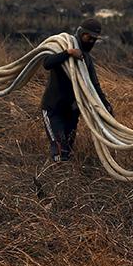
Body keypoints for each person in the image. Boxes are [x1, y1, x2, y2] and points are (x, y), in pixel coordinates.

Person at [41, 18, 112, 163]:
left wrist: (106, 106)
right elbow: (47, 63)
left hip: (72, 110)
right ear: (80, 33)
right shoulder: (63, 47)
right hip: (53, 108)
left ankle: (64, 179)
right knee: (59, 148)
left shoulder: (86, 59)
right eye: (88, 37)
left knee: (68, 149)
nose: (90, 41)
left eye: (94, 39)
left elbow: (94, 85)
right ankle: (55, 179)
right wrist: (68, 53)